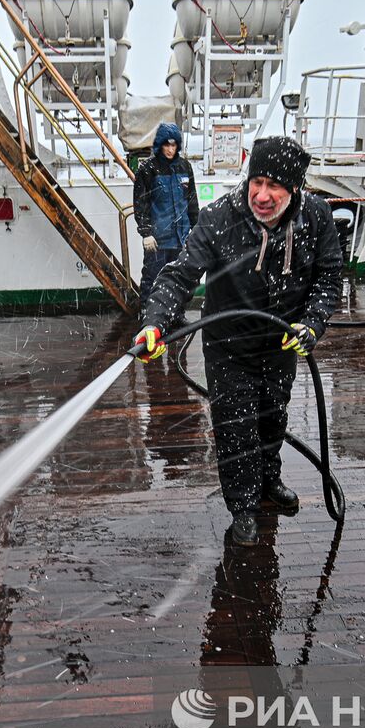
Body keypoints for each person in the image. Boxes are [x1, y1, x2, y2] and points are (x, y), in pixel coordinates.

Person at [134, 136, 341, 547]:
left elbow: (329, 278)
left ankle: (269, 481)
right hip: (229, 346)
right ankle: (243, 507)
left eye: (275, 186)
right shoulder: (219, 218)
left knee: (271, 418)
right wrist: (155, 322)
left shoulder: (316, 218)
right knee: (235, 429)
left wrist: (313, 324)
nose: (262, 195)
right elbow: (179, 275)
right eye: (256, 182)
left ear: (295, 188)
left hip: (282, 344)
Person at [133, 122, 199, 301]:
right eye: (166, 145)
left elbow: (191, 201)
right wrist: (146, 232)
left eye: (173, 145)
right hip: (158, 241)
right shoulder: (147, 169)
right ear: (159, 144)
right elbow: (141, 203)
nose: (170, 149)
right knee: (152, 279)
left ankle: (175, 314)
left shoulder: (185, 167)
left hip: (181, 238)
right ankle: (147, 315)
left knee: (180, 280)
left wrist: (197, 230)